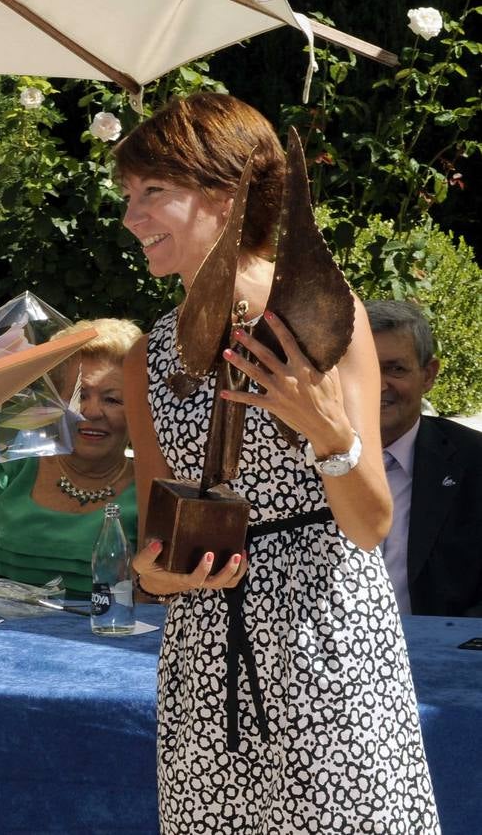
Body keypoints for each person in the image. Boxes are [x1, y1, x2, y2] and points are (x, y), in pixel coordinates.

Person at [115, 93, 438, 832]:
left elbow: (369, 525)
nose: (132, 217)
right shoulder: (149, 355)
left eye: (153, 193)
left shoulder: (322, 315)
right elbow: (151, 543)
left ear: (226, 194)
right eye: (129, 196)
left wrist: (326, 430)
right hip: (205, 651)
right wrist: (156, 576)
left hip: (325, 640)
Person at [0, 318, 143, 597]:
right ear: (54, 403)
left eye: (112, 399)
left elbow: (152, 595)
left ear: (139, 408)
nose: (91, 412)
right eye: (79, 397)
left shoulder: (150, 488)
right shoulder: (10, 467)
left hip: (105, 634)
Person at [367, 299, 482, 617]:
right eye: (365, 369)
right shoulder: (304, 460)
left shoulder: (474, 463)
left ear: (428, 374)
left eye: (396, 369)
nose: (379, 384)